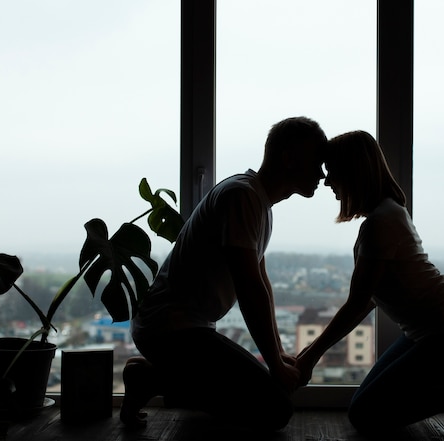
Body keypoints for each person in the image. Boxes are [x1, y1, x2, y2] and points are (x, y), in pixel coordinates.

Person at [121, 116, 327, 433]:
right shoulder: (243, 197)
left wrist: (277, 352)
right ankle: (152, 378)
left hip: (183, 329)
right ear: (289, 159)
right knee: (275, 410)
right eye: (317, 162)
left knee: (267, 400)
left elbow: (262, 283)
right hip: (171, 330)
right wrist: (273, 362)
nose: (321, 174)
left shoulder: (257, 201)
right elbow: (249, 287)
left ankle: (158, 377)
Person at [295, 130, 444, 437]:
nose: (327, 182)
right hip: (437, 331)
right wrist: (309, 353)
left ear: (354, 173)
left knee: (365, 413)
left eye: (333, 173)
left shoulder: (380, 223)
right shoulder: (388, 212)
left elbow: (357, 303)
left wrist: (310, 356)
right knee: (369, 403)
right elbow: (368, 298)